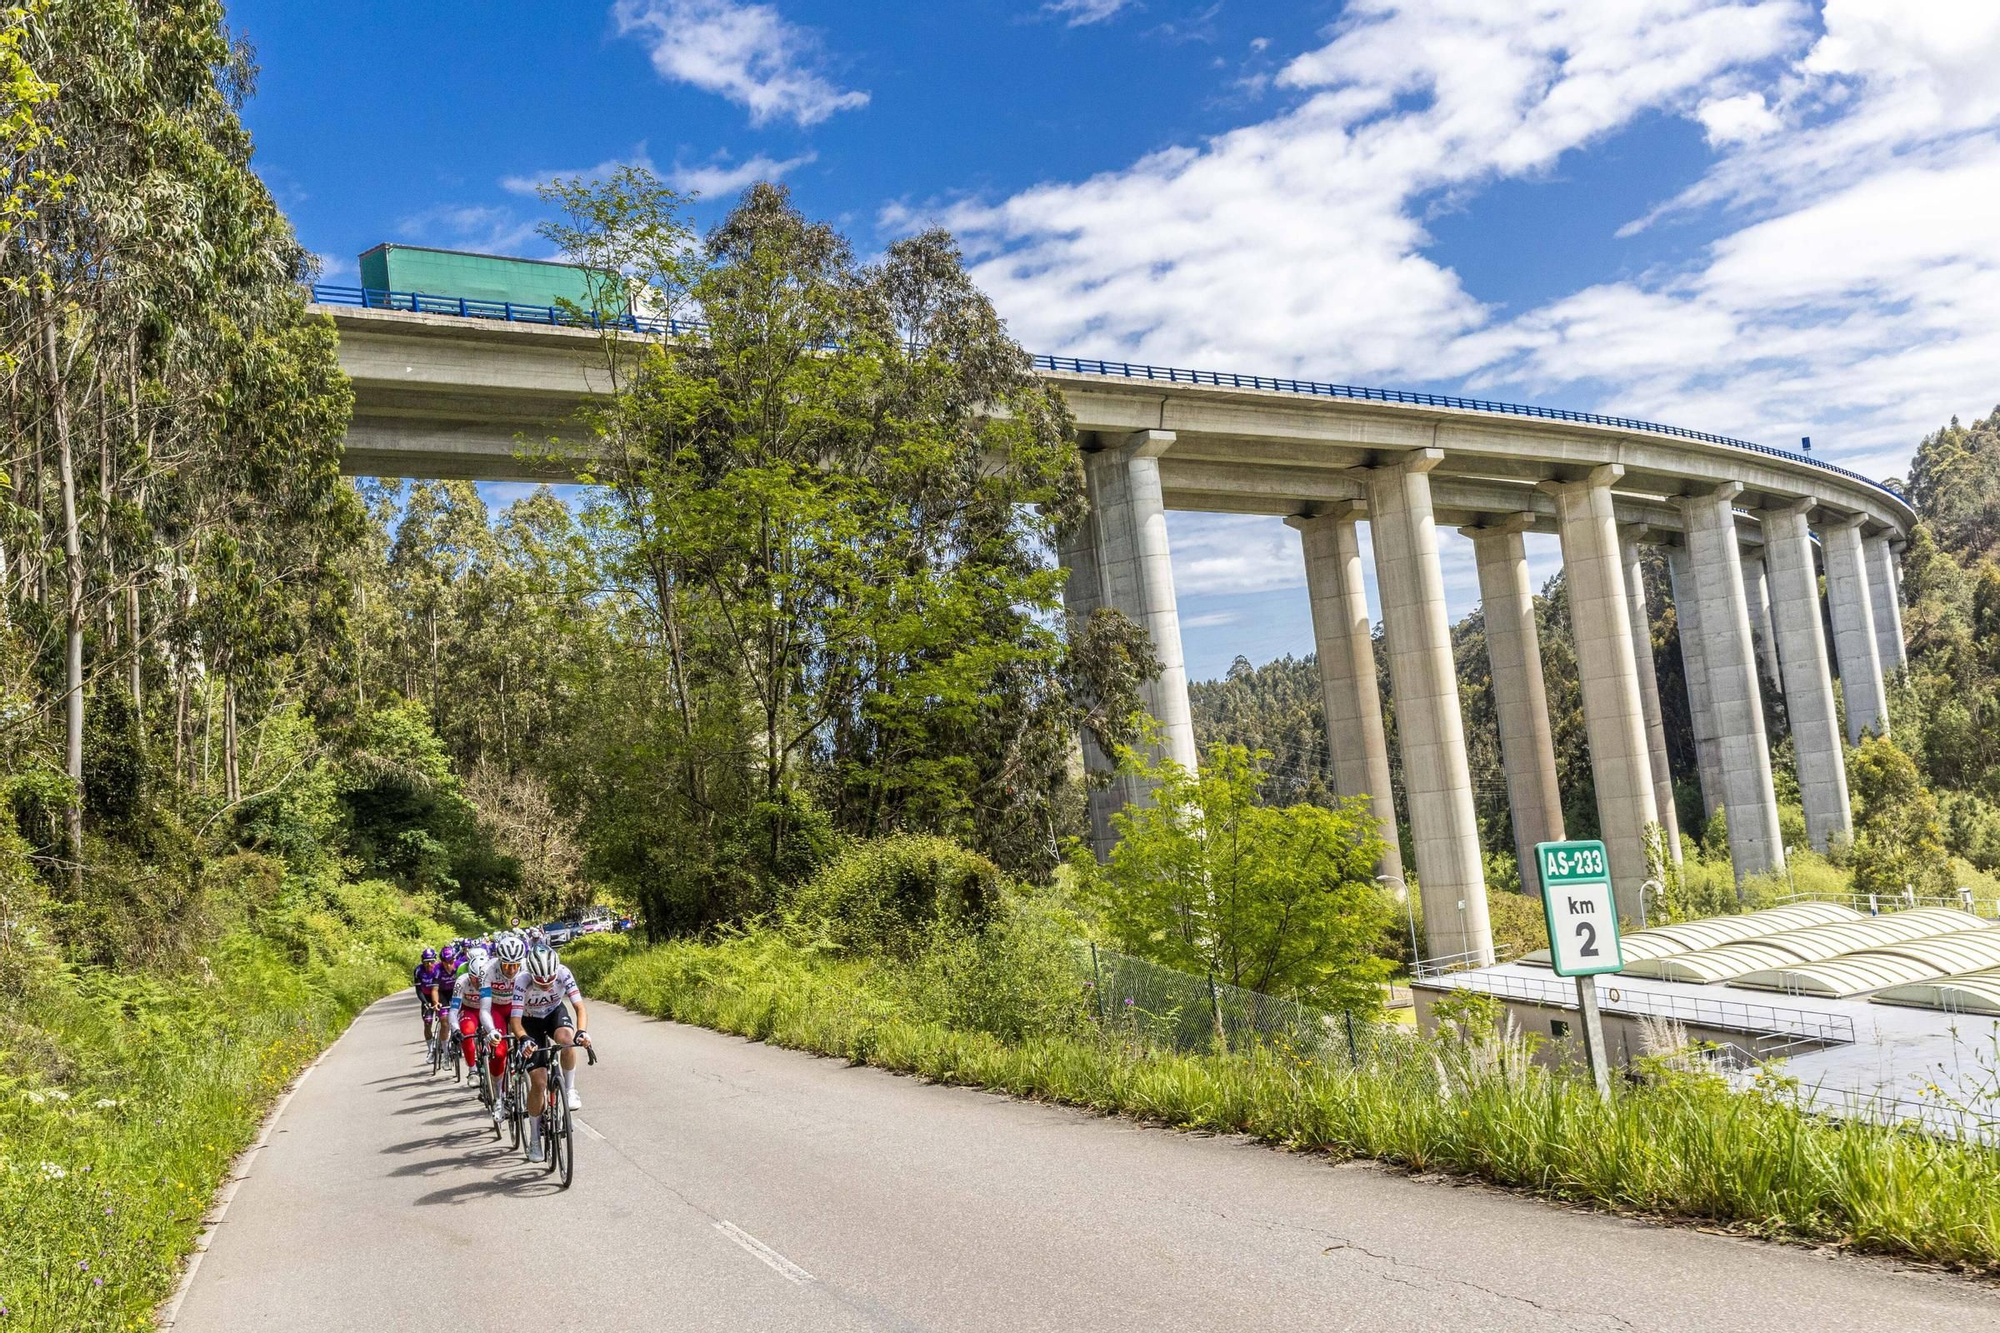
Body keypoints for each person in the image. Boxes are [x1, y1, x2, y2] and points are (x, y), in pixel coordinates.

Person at [509, 944, 590, 1163]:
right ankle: (535, 1137)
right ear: (532, 974)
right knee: (540, 1082)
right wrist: (523, 1038)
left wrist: (582, 1032)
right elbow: (515, 1021)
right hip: (529, 1022)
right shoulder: (522, 981)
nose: (545, 986)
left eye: (549, 981)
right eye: (540, 982)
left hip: (554, 1013)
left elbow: (580, 1008)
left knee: (567, 1040)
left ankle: (570, 1089)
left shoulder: (563, 972)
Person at [475, 936, 530, 1127]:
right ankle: (499, 1098)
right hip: (496, 1009)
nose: (512, 971)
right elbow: (483, 1009)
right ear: (499, 961)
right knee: (498, 1053)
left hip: (518, 1007)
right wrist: (490, 1031)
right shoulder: (487, 971)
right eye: (507, 966)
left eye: (515, 965)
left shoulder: (526, 967)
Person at [412, 947, 450, 1052]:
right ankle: (430, 1050)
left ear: (435, 960)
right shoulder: (418, 971)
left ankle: (445, 1044)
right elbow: (419, 990)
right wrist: (424, 1002)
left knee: (444, 1020)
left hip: (439, 995)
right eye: (426, 962)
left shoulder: (439, 969)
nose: (429, 965)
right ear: (422, 962)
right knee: (427, 1023)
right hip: (426, 997)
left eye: (431, 962)